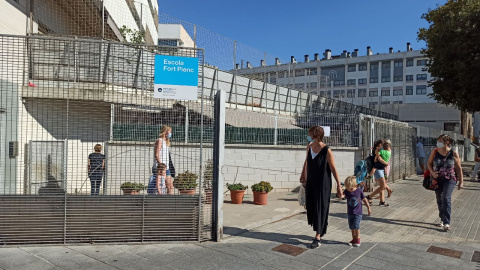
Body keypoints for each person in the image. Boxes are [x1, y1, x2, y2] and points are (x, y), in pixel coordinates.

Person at [299, 126, 343, 249]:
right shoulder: (309, 147)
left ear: (316, 135)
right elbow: (307, 161)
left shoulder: (326, 150)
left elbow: (333, 168)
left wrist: (339, 185)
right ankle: (320, 228)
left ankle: (318, 236)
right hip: (311, 182)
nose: (308, 135)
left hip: (323, 183)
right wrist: (303, 174)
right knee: (312, 206)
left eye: (310, 133)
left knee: (320, 207)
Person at [427, 134, 463, 231]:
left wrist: (461, 181)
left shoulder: (453, 153)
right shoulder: (435, 152)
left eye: (440, 141)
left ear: (446, 142)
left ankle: (447, 222)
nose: (438, 143)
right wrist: (432, 172)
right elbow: (429, 163)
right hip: (437, 179)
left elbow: (459, 168)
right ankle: (442, 218)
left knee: (446, 198)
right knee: (439, 200)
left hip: (450, 179)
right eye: (438, 140)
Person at [343, 176, 371, 247]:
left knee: (356, 226)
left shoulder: (359, 191)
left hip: (358, 213)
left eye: (351, 189)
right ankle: (353, 239)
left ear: (355, 185)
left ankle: (358, 239)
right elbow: (342, 196)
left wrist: (368, 207)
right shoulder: (346, 191)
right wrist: (340, 192)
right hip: (350, 212)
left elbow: (364, 199)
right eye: (348, 188)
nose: (350, 190)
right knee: (352, 227)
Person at [366, 140, 392, 206]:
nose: (381, 146)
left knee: (382, 186)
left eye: (382, 145)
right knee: (383, 186)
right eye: (380, 144)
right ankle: (369, 197)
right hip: (378, 169)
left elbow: (387, 157)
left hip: (381, 169)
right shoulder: (377, 151)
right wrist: (386, 163)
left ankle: (382, 201)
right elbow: (380, 159)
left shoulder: (384, 150)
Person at [153, 125, 174, 195]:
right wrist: (161, 165)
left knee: (170, 186)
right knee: (159, 186)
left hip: (166, 168)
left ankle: (169, 202)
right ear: (166, 132)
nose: (171, 133)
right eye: (170, 132)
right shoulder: (160, 141)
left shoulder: (166, 142)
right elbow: (157, 154)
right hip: (160, 168)